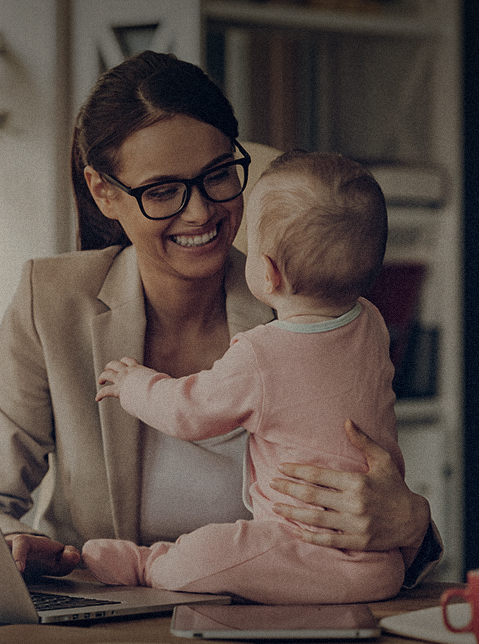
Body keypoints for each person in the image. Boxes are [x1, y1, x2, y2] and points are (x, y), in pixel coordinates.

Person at [0, 51, 441, 589]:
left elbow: (376, 487)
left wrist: (411, 522)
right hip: (111, 617)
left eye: (217, 176)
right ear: (104, 193)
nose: (199, 212)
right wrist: (14, 544)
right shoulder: (49, 301)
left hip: (277, 615)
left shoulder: (306, 303)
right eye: (163, 191)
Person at [82, 150, 405, 604]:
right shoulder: (371, 323)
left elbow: (189, 411)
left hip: (302, 549)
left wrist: (132, 383)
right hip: (381, 563)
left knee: (213, 550)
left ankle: (147, 564)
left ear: (268, 272)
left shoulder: (262, 354)